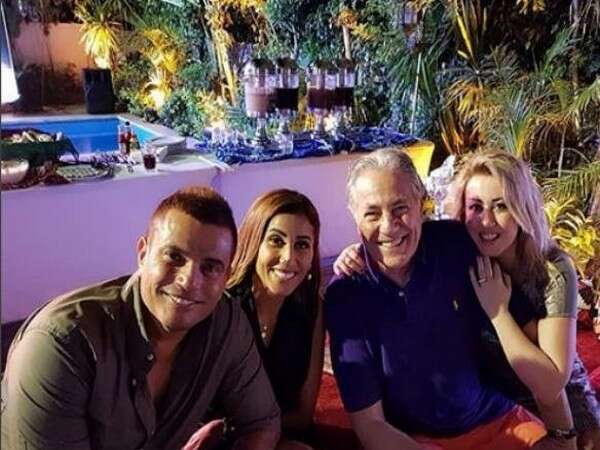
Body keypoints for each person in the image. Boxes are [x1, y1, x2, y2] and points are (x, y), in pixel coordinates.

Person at [335, 150, 600, 449]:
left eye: (501, 206)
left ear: (421, 203)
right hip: (453, 418)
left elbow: (552, 379)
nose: (487, 222)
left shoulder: (543, 268)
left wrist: (564, 437)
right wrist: (360, 251)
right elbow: (370, 424)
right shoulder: (458, 244)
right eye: (476, 207)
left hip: (524, 399)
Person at [1, 186, 281, 450]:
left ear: (226, 277)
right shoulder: (61, 345)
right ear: (143, 254)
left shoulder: (226, 322)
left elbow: (262, 424)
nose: (189, 281)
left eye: (210, 267)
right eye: (174, 257)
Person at [227, 189, 324, 450]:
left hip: (287, 434)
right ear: (254, 242)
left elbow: (303, 415)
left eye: (302, 244)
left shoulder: (312, 307)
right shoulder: (224, 308)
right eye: (276, 241)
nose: (289, 257)